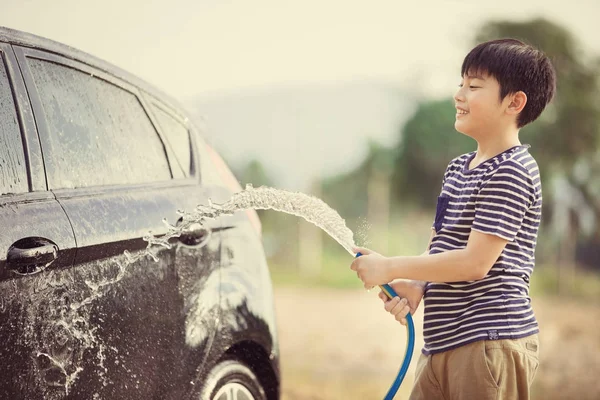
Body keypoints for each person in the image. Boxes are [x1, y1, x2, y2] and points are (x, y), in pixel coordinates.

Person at [350, 38, 556, 400]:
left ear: (515, 101)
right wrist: (416, 284)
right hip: (441, 342)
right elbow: (442, 242)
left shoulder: (512, 170)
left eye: (473, 86)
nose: (459, 95)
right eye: (461, 84)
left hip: (489, 343)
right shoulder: (459, 169)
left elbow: (476, 262)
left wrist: (390, 267)